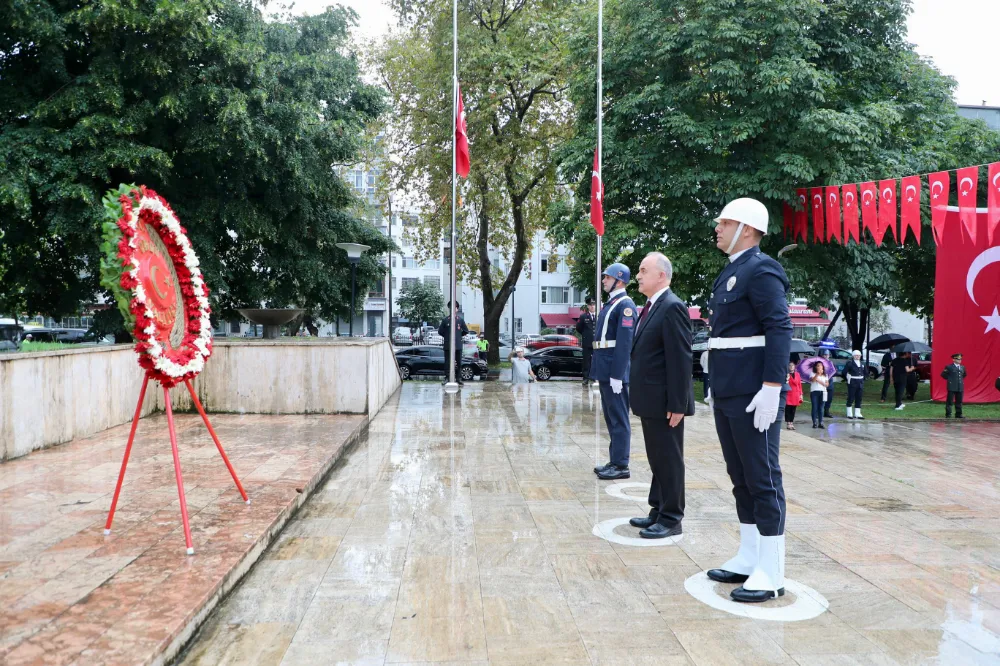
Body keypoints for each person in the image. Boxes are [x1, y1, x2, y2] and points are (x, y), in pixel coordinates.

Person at [703, 198, 793, 604]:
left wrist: (773, 386)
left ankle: (772, 571)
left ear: (749, 229)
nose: (718, 228)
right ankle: (749, 554)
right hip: (729, 389)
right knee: (739, 477)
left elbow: (779, 328)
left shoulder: (762, 268)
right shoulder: (730, 272)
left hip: (754, 391)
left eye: (726, 222)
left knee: (762, 478)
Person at [627, 252, 694, 539]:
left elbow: (680, 359)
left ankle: (671, 517)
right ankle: (657, 509)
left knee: (668, 458)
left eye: (643, 270)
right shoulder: (651, 306)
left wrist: (678, 404)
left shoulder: (672, 307)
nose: (638, 275)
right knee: (657, 458)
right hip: (650, 400)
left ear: (661, 275)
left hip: (666, 402)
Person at [591, 263, 637, 480]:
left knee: (619, 418)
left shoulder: (625, 305)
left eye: (607, 278)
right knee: (611, 418)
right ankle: (615, 460)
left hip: (614, 370)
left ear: (619, 280)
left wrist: (618, 374)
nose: (603, 281)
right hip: (605, 367)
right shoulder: (612, 303)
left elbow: (625, 343)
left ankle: (621, 465)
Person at [438, 301, 470, 385]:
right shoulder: (445, 320)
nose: (453, 309)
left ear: (457, 309)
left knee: (459, 362)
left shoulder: (460, 320)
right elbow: (440, 331)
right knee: (447, 362)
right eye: (451, 308)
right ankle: (447, 377)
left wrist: (458, 336)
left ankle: (458, 378)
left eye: (455, 307)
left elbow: (466, 331)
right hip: (448, 345)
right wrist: (448, 336)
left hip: (458, 345)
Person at [576, 297, 597, 384]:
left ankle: (595, 377)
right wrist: (586, 335)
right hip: (587, 342)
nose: (592, 307)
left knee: (596, 360)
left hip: (597, 342)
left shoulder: (600, 315)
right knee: (586, 361)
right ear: (588, 306)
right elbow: (578, 328)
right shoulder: (583, 316)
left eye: (593, 305)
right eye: (590, 305)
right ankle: (586, 378)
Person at [941, 352, 967, 418]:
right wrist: (950, 379)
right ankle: (948, 414)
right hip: (952, 386)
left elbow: (964, 375)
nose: (960, 360)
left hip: (960, 386)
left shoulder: (962, 367)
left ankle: (958, 414)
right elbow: (943, 374)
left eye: (960, 359)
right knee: (949, 401)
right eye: (958, 359)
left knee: (959, 401)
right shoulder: (949, 367)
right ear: (953, 360)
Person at [844, 350, 866, 419]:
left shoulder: (862, 363)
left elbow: (865, 372)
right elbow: (844, 372)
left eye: (859, 355)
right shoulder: (850, 363)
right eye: (856, 355)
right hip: (853, 382)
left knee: (859, 398)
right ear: (853, 356)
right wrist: (848, 377)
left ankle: (857, 413)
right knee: (851, 397)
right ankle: (849, 413)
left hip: (860, 382)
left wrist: (863, 378)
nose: (858, 357)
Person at [809, 361, 829, 428]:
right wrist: (817, 374)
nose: (820, 366)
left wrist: (821, 382)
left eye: (821, 365)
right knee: (814, 407)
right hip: (814, 391)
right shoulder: (812, 373)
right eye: (818, 365)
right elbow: (813, 380)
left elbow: (827, 384)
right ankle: (814, 422)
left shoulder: (825, 375)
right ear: (815, 367)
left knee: (821, 408)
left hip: (823, 392)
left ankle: (821, 422)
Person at [784, 362, 802, 430]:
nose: (791, 367)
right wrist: (787, 378)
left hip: (796, 393)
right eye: (790, 365)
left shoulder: (797, 374)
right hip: (789, 393)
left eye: (792, 365)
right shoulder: (787, 374)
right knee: (788, 408)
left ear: (795, 367)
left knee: (793, 409)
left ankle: (791, 422)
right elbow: (785, 383)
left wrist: (801, 394)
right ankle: (788, 423)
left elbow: (799, 385)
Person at [819, 349, 835, 418]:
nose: (826, 356)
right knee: (821, 399)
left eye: (827, 355)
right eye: (824, 355)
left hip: (830, 383)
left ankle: (826, 412)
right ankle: (819, 412)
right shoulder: (819, 364)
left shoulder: (831, 363)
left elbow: (835, 371)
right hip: (822, 383)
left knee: (829, 398)